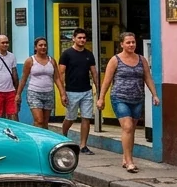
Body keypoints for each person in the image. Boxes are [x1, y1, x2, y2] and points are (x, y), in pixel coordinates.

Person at [97, 31, 160, 173]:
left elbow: (148, 78)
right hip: (119, 98)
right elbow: (106, 81)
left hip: (137, 98)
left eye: (133, 42)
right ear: (122, 44)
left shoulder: (142, 60)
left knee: (131, 130)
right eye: (128, 42)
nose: (131, 45)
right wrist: (101, 98)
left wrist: (154, 95)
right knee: (127, 127)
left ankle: (126, 157)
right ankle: (130, 161)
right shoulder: (115, 60)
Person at [59, 28, 99, 153]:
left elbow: (94, 73)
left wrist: (99, 90)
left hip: (86, 91)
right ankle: (63, 136)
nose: (82, 40)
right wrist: (63, 93)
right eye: (79, 37)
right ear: (74, 38)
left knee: (86, 118)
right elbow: (61, 73)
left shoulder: (89, 54)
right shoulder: (67, 54)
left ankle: (83, 145)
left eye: (84, 38)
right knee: (70, 118)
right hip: (71, 91)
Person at [17, 38, 64, 129]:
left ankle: (43, 140)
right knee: (39, 121)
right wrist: (18, 94)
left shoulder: (52, 61)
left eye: (45, 45)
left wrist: (62, 94)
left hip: (48, 93)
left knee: (45, 122)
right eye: (40, 45)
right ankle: (36, 139)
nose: (43, 47)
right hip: (34, 93)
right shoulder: (30, 61)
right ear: (35, 47)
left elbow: (57, 78)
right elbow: (23, 79)